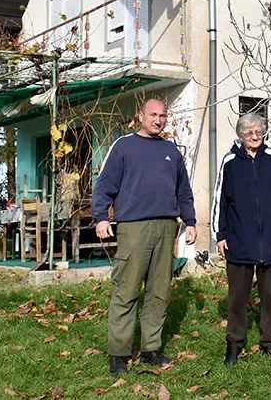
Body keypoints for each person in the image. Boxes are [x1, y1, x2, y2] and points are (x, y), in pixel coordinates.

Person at [92, 98, 197, 375]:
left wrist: (191, 221)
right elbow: (104, 185)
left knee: (159, 292)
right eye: (153, 114)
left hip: (166, 228)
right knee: (127, 291)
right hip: (133, 228)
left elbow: (183, 191)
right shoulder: (124, 146)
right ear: (140, 115)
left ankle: (151, 348)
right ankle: (119, 353)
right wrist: (101, 217)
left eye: (163, 115)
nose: (158, 120)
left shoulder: (170, 150)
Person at [211, 112, 271, 366]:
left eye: (258, 131)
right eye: (249, 132)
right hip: (239, 239)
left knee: (270, 296)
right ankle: (234, 344)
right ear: (240, 135)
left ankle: (270, 343)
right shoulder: (230, 162)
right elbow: (220, 201)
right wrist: (220, 235)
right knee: (237, 296)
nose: (254, 136)